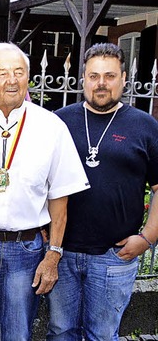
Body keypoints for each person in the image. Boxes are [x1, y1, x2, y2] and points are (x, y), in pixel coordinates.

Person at [0, 43, 90, 340]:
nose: (11, 80)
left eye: (19, 72)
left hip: (24, 249)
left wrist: (53, 255)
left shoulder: (52, 127)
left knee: (17, 334)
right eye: (1, 73)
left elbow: (60, 198)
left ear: (28, 78)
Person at [48, 43, 158, 340]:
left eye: (109, 76)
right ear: (83, 78)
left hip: (114, 256)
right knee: (60, 332)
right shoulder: (58, 122)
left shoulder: (145, 126)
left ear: (124, 78)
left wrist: (148, 237)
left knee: (102, 335)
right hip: (62, 252)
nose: (101, 84)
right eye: (93, 76)